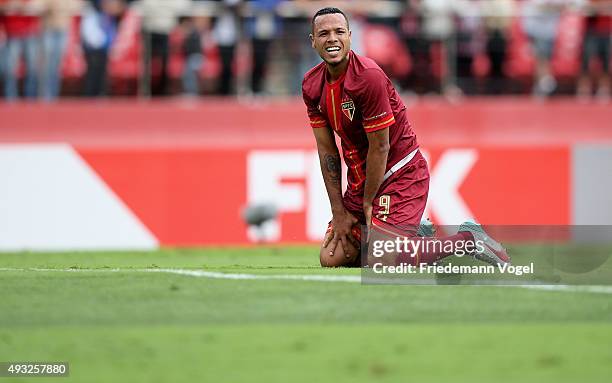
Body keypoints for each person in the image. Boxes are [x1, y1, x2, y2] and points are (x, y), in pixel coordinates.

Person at [302, 7, 510, 268]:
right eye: (323, 33)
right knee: (331, 258)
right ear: (313, 41)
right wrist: (339, 211)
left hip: (400, 173)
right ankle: (413, 240)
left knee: (383, 257)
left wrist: (368, 204)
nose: (332, 38)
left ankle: (469, 239)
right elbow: (327, 152)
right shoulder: (311, 84)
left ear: (350, 36)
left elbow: (381, 146)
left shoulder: (368, 77)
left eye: (339, 32)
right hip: (361, 181)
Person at [0, 0, 44, 101]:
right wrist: (10, 6)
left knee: (32, 68)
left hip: (30, 32)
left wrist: (28, 7)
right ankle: (10, 98)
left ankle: (30, 99)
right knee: (9, 69)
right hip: (12, 32)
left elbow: (40, 7)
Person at [39, 0, 82, 101]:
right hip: (48, 28)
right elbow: (38, 5)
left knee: (57, 64)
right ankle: (44, 94)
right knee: (46, 64)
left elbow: (76, 6)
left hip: (63, 28)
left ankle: (54, 94)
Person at [577, 0, 612, 101]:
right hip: (591, 32)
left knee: (605, 61)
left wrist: (598, 8)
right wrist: (600, 8)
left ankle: (604, 89)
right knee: (586, 60)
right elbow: (586, 9)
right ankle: (584, 89)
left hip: (606, 31)